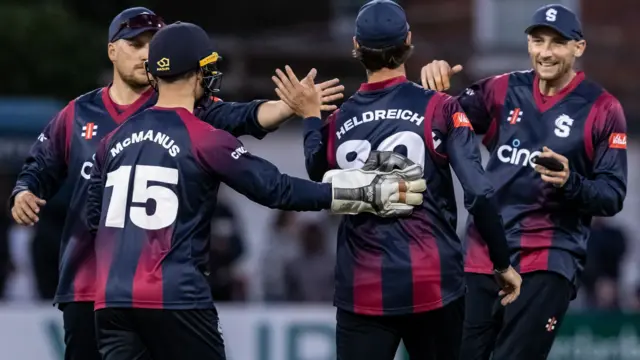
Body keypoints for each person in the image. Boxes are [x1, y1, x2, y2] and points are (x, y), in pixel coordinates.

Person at [7, 6, 344, 360]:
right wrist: (24, 191)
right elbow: (39, 166)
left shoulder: (187, 106)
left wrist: (289, 107)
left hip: (141, 288)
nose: (145, 53)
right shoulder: (77, 113)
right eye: (135, 43)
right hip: (86, 285)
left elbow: (244, 115)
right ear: (111, 50)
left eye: (153, 44)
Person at [84, 21, 427, 360]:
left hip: (110, 300)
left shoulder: (112, 140)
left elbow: (92, 216)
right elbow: (277, 190)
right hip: (174, 297)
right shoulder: (204, 138)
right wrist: (363, 192)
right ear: (197, 72)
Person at [273, 1, 522, 359]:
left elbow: (318, 172)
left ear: (355, 47)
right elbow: (480, 192)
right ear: (408, 40)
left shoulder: (339, 119)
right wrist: (501, 262)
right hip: (432, 282)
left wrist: (311, 117)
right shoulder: (440, 107)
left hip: (363, 288)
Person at [420, 4, 628, 360]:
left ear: (579, 48)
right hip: (481, 255)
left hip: (547, 260)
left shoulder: (603, 109)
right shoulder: (501, 89)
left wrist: (570, 181)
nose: (545, 52)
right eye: (538, 41)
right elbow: (438, 124)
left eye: (557, 43)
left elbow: (612, 195)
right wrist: (434, 88)